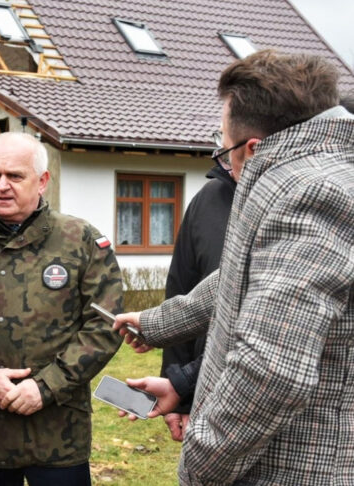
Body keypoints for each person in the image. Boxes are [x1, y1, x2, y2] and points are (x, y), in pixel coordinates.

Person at [114, 50, 354, 485]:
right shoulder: (313, 175)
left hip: (284, 469)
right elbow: (244, 275)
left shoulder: (311, 192)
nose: (223, 163)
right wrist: (157, 322)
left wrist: (201, 462)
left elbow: (272, 371)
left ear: (254, 148)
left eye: (223, 149)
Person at [0, 132, 123, 486]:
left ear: (42, 181)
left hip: (58, 435)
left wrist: (45, 386)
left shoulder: (81, 240)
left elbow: (103, 327)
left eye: (15, 176)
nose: (2, 186)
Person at [160, 162, 236, 441]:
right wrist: (180, 394)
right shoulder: (209, 199)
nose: (222, 162)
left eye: (226, 150)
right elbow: (181, 292)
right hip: (202, 386)